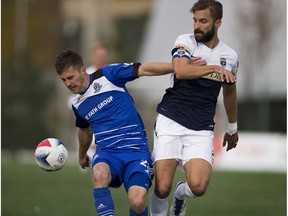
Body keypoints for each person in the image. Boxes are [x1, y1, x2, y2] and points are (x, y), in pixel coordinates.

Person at [54, 49, 175, 216]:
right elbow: (84, 130)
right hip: (107, 154)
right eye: (63, 80)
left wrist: (177, 68)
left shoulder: (108, 75)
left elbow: (145, 69)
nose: (68, 83)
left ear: (83, 70)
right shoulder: (77, 104)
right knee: (99, 174)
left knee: (137, 201)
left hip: (136, 152)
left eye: (70, 77)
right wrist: (82, 154)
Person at [149, 0, 239, 216]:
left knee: (198, 187)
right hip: (171, 119)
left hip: (201, 127)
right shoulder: (185, 42)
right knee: (162, 187)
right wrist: (213, 69)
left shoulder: (231, 56)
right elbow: (180, 71)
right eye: (195, 20)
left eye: (203, 21)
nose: (197, 26)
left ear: (218, 23)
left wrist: (232, 128)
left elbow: (229, 91)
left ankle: (181, 195)